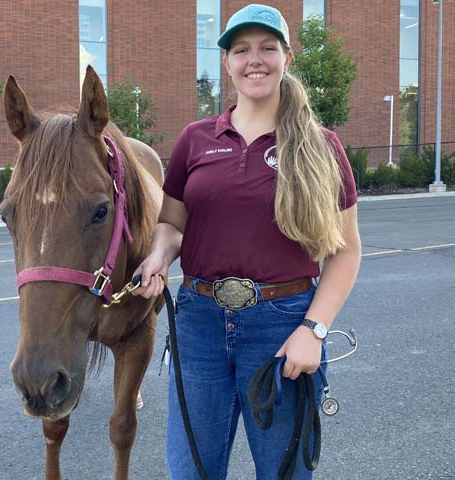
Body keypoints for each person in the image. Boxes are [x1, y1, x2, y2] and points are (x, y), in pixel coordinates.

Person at [132, 4, 361, 479]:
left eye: (266, 48)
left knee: (284, 474)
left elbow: (345, 251)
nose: (254, 60)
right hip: (199, 325)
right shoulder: (195, 140)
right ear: (227, 63)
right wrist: (157, 256)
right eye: (242, 50)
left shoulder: (320, 145)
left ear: (286, 58)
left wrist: (313, 330)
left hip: (281, 327)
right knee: (191, 472)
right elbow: (172, 225)